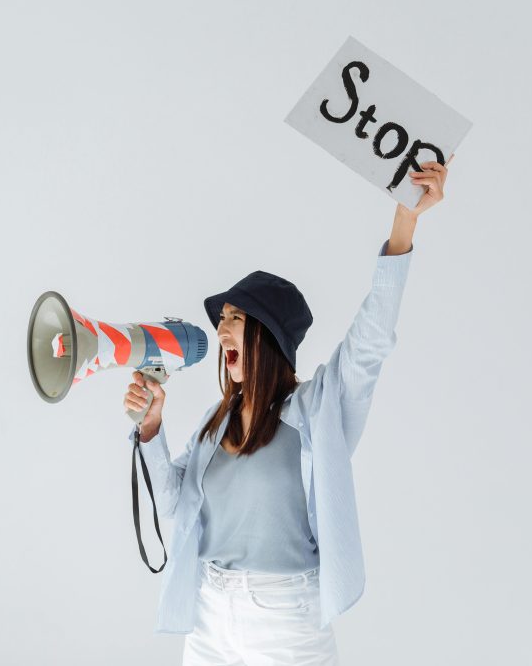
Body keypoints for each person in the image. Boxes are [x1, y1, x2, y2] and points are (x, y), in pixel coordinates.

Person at [122, 157, 453, 665]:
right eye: (222, 319)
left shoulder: (319, 408)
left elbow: (370, 341)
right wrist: (151, 430)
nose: (221, 330)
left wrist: (405, 222)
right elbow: (175, 512)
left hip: (285, 622)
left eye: (236, 318)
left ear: (268, 336)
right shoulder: (216, 425)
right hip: (209, 617)